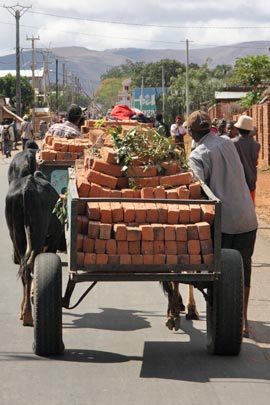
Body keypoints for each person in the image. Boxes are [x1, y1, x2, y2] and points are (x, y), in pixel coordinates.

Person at [187, 110, 258, 338]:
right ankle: (244, 321)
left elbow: (198, 191)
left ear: (190, 132)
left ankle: (225, 323)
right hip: (247, 216)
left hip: (224, 222)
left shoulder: (197, 156)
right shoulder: (227, 142)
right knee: (243, 268)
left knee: (222, 275)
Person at [233, 115, 261, 204]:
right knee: (250, 206)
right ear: (250, 130)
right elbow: (255, 162)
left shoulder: (232, 143)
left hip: (237, 180)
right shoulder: (256, 145)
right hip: (251, 179)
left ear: (237, 129)